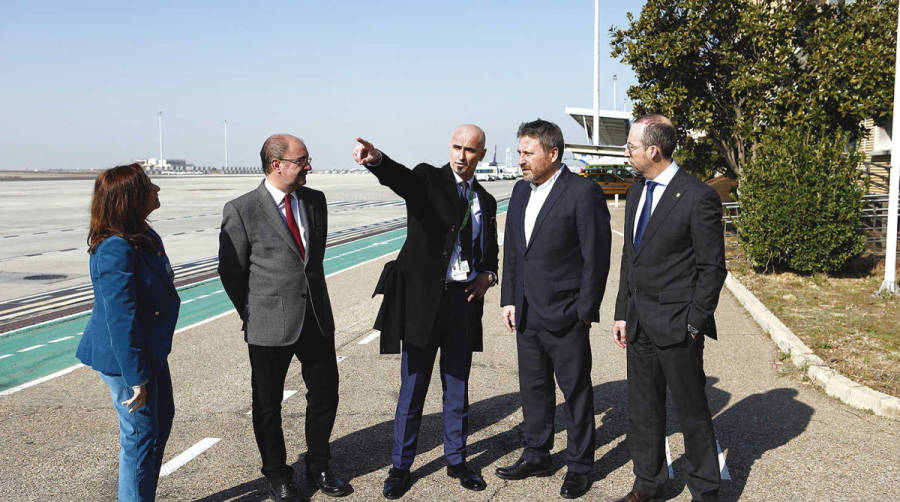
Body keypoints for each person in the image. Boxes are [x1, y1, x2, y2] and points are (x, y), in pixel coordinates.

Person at [351, 124, 499, 500]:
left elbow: (491, 254)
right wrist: (377, 160)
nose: (461, 156)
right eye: (456, 147)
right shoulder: (428, 179)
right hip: (423, 303)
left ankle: (457, 459)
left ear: (482, 154)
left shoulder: (486, 200)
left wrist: (488, 276)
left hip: (462, 303)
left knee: (457, 386)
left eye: (469, 150)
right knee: (413, 388)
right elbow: (400, 180)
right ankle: (401, 466)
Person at [218, 135, 351, 502]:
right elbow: (231, 271)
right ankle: (276, 474)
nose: (309, 166)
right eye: (302, 160)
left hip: (315, 318)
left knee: (325, 394)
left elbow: (313, 260)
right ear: (277, 164)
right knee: (267, 405)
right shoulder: (242, 209)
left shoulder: (315, 201)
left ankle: (319, 465)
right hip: (267, 323)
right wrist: (252, 310)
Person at [611, 114, 727, 502]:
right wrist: (621, 312)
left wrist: (694, 323)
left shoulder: (697, 196)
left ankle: (706, 490)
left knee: (692, 413)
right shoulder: (634, 192)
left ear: (653, 150)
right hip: (640, 323)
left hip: (679, 327)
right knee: (642, 411)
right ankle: (648, 483)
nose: (626, 152)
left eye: (630, 147)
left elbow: (712, 268)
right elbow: (631, 259)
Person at [498, 119, 611, 499]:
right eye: (519, 153)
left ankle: (580, 465)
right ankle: (537, 454)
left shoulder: (583, 193)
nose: (521, 161)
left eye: (527, 153)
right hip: (527, 314)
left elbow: (596, 258)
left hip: (566, 316)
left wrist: (584, 311)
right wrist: (509, 299)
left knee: (576, 393)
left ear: (553, 153)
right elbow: (514, 251)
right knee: (534, 390)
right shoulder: (518, 191)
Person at [76, 163, 180, 502]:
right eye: (150, 185)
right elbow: (120, 318)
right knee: (140, 436)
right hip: (126, 359)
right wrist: (137, 377)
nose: (157, 189)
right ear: (131, 198)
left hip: (149, 350)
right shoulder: (115, 248)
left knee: (159, 422)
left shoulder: (143, 236)